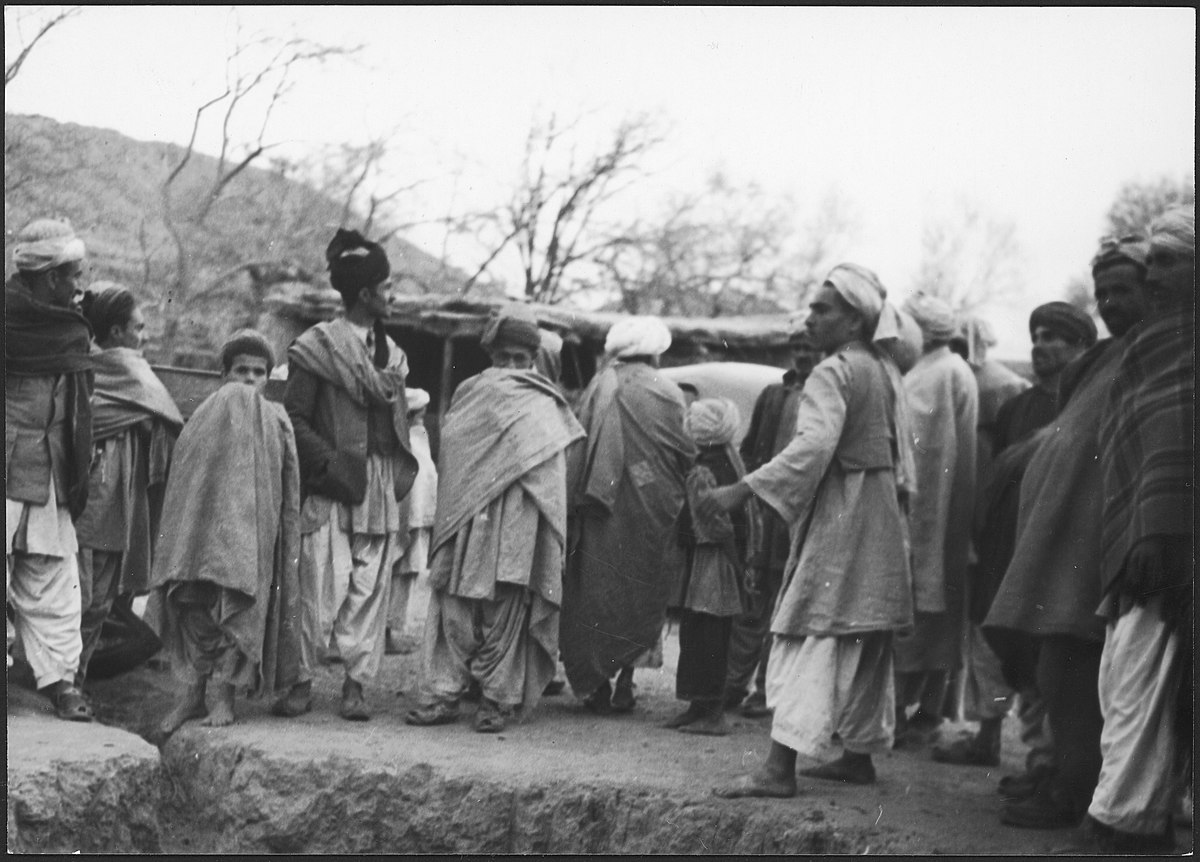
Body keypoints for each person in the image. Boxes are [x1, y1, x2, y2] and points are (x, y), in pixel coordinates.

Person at [706, 263, 917, 796]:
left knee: (814, 630)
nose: (810, 318)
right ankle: (858, 757)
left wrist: (741, 490)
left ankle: (778, 770)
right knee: (864, 631)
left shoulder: (834, 370)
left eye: (822, 309)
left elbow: (813, 446)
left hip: (845, 513)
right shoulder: (882, 366)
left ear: (853, 320)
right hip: (881, 515)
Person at [986, 237, 1150, 830]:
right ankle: (1063, 778)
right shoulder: (1107, 356)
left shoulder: (1158, 351)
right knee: (1055, 663)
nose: (1110, 303)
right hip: (1067, 539)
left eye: (1123, 290)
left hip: (1108, 537)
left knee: (1080, 668)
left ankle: (1075, 791)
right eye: (1102, 292)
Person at [405, 307, 584, 732]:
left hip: (518, 519)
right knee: (455, 606)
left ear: (533, 359)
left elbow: (554, 472)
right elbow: (455, 450)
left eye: (520, 360)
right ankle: (442, 694)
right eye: (503, 359)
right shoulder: (471, 393)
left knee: (509, 605)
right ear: (491, 356)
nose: (510, 369)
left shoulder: (545, 403)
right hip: (468, 515)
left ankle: (497, 699)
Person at [1079, 206, 1194, 854]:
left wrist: (1156, 529)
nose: (1154, 277)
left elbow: (1178, 441)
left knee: (1141, 681)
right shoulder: (1151, 343)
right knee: (1124, 676)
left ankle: (1124, 822)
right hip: (1142, 538)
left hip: (1169, 540)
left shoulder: (1183, 341)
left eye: (1170, 263)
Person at [274, 229, 418, 722]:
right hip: (331, 485)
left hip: (375, 486)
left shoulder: (391, 357)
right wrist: (329, 467)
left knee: (369, 587)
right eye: (388, 286)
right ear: (365, 294)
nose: (393, 295)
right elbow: (295, 419)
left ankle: (356, 685)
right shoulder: (315, 348)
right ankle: (300, 681)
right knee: (318, 583)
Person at [150, 330, 302, 736]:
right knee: (194, 602)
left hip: (249, 530)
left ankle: (224, 695)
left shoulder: (277, 420)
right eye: (240, 371)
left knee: (237, 606)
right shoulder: (204, 416)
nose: (249, 380)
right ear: (223, 374)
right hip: (202, 532)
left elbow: (287, 487)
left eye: (258, 372)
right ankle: (191, 692)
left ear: (269, 378)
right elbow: (186, 476)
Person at [974, 302, 1097, 787]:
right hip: (1009, 544)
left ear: (1082, 346)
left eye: (1055, 337)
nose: (1041, 345)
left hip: (1059, 547)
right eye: (1037, 335)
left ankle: (1055, 766)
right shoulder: (1017, 408)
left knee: (1054, 653)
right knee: (1019, 653)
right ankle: (1038, 760)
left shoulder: (1085, 404)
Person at [560, 316, 696, 715]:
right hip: (652, 507)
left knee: (596, 590)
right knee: (641, 588)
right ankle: (626, 682)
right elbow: (685, 451)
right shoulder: (668, 391)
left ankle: (596, 683)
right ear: (655, 351)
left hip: (601, 506)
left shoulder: (596, 387)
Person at [5, 218, 94, 721]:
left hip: (50, 468)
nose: (79, 286)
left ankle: (61, 681)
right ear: (47, 276)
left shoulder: (70, 329)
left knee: (53, 575)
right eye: (71, 277)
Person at [73, 283, 183, 690]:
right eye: (138, 327)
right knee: (86, 598)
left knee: (95, 600)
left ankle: (72, 679)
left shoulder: (110, 367)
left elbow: (160, 416)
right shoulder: (119, 366)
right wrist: (138, 419)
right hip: (98, 495)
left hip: (116, 495)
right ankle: (64, 679)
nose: (145, 335)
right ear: (116, 333)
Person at [723, 329, 823, 718]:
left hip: (799, 514)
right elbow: (750, 451)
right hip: (765, 511)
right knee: (753, 598)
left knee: (785, 605)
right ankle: (733, 685)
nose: (802, 354)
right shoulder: (773, 394)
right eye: (797, 348)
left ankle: (767, 691)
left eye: (809, 347)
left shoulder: (823, 396)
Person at [893, 293, 978, 747]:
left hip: (929, 516)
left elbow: (922, 453)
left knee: (916, 615)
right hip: (945, 517)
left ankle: (904, 714)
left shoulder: (936, 375)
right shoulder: (948, 369)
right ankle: (924, 711)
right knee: (935, 617)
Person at [666, 398, 759, 736]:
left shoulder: (703, 471)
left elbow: (717, 526)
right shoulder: (729, 462)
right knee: (702, 633)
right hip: (711, 559)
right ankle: (698, 707)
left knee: (706, 635)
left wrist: (735, 565)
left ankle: (712, 713)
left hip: (711, 561)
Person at [385, 388, 437, 655]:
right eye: (417, 415)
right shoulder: (404, 441)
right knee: (390, 573)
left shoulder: (421, 438)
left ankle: (390, 631)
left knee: (406, 575)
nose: (420, 420)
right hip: (404, 516)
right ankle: (381, 633)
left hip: (419, 518)